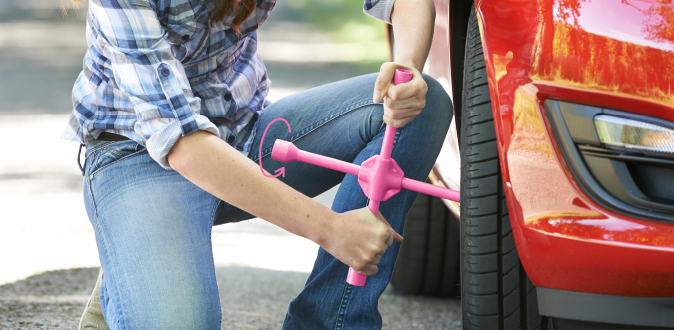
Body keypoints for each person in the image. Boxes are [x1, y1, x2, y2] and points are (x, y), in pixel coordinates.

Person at [62, 0, 450, 329]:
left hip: (248, 137)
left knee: (426, 104)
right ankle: (134, 254)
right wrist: (333, 230)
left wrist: (408, 71)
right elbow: (180, 141)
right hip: (140, 156)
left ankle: (330, 319)